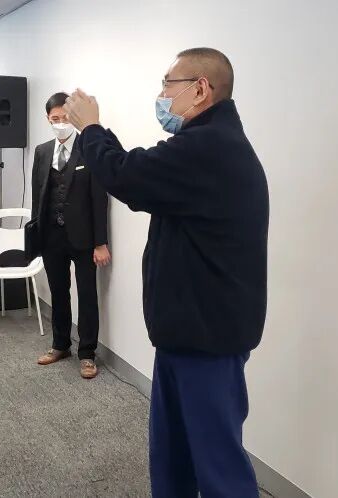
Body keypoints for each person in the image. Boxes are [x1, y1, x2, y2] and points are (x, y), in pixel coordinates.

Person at [64, 47, 268, 497]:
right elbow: (134, 173)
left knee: (217, 465)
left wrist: (91, 128)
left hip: (208, 339)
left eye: (167, 84)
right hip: (186, 333)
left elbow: (126, 176)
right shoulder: (207, 145)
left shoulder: (211, 148)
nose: (160, 95)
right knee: (174, 457)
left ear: (200, 89)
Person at [32, 92, 111, 379]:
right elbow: (38, 195)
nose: (60, 123)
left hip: (84, 237)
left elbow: (99, 198)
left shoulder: (88, 148)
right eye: (55, 119)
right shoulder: (42, 151)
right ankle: (60, 345)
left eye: (65, 117)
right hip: (51, 235)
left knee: (87, 294)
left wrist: (101, 242)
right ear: (48, 119)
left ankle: (87, 353)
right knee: (58, 291)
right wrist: (36, 235)